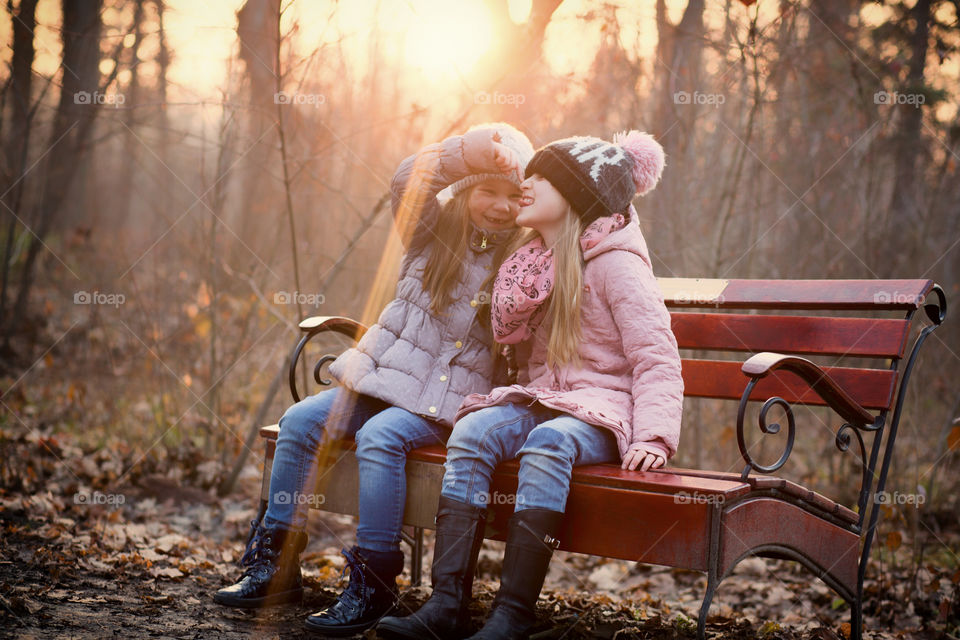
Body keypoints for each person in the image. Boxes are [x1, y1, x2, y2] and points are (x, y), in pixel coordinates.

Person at [212, 123, 535, 637]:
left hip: (447, 403)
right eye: (486, 190)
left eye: (512, 195)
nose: (498, 205)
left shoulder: (527, 259)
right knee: (298, 421)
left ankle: (372, 583)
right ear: (465, 190)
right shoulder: (430, 234)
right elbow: (410, 179)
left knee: (380, 436)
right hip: (383, 379)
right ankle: (275, 567)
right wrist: (466, 152)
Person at [377, 131, 684, 640]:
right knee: (472, 431)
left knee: (549, 442)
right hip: (545, 400)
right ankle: (447, 603)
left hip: (601, 414)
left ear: (577, 196)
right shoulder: (533, 261)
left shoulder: (617, 265)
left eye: (541, 179)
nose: (527, 184)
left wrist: (653, 436)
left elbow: (656, 356)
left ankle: (512, 615)